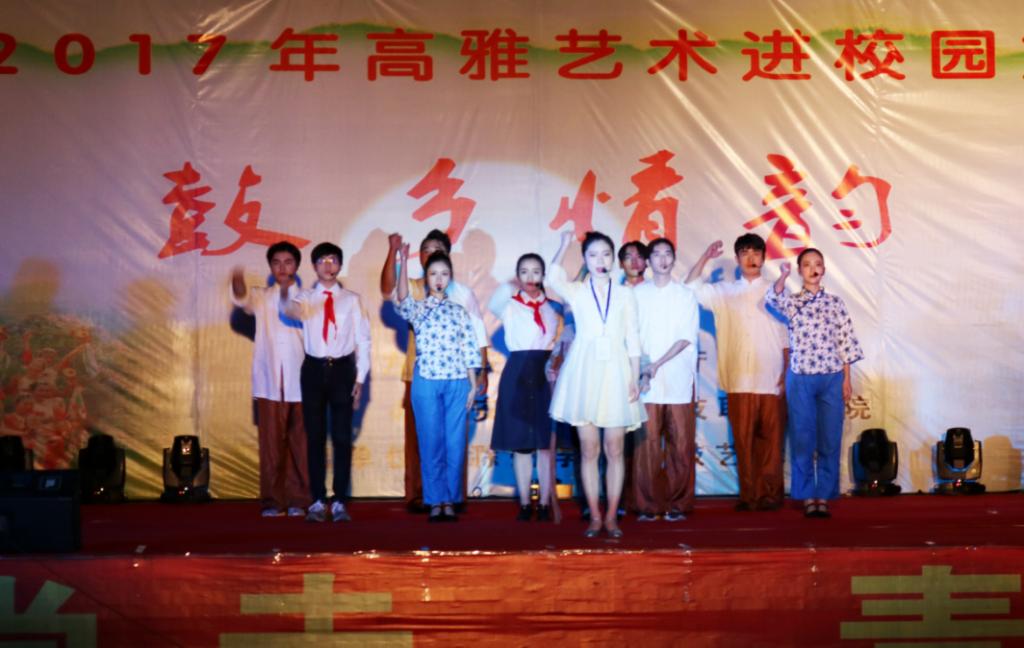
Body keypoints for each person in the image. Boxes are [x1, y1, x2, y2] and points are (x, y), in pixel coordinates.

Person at [380, 230, 489, 512]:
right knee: (430, 442)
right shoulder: (418, 308)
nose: (439, 279)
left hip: (457, 383)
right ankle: (434, 501)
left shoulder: (459, 310)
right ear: (426, 278)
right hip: (426, 381)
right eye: (433, 274)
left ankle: (450, 501)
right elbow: (401, 298)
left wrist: (473, 384)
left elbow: (470, 347)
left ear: (449, 277)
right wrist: (402, 261)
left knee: (454, 443)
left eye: (444, 274)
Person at [547, 231, 645, 538]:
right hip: (584, 370)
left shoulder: (625, 294)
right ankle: (595, 515)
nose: (600, 261)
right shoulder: (576, 291)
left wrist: (634, 376)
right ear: (585, 260)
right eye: (593, 255)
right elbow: (552, 278)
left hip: (617, 370)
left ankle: (612, 516)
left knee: (614, 448)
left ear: (613, 258)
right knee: (589, 449)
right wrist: (564, 245)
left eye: (605, 254)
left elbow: (633, 337)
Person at [686, 234, 789, 512]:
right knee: (743, 442)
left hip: (772, 377)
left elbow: (787, 336)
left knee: (771, 443)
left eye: (756, 253)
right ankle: (749, 496)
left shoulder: (776, 291)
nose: (751, 258)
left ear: (764, 258)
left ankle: (770, 496)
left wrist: (786, 371)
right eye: (745, 253)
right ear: (737, 259)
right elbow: (691, 287)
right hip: (739, 379)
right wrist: (706, 257)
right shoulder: (725, 292)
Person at [767, 248, 863, 518]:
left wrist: (846, 378)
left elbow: (846, 343)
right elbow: (772, 298)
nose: (813, 268)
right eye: (807, 265)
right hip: (801, 377)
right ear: (800, 271)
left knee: (830, 438)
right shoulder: (793, 302)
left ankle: (825, 495)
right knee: (803, 438)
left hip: (832, 377)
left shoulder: (835, 303)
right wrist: (782, 277)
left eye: (817, 264)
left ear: (824, 270)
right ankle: (808, 495)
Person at [283, 242, 370, 523]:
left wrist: (360, 378)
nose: (328, 265)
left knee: (342, 438)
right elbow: (290, 311)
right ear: (314, 266)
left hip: (343, 369)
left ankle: (340, 500)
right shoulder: (305, 297)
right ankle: (318, 500)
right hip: (313, 369)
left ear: (340, 265)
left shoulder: (352, 299)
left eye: (333, 260)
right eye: (322, 260)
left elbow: (363, 340)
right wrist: (285, 290)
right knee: (315, 437)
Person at [230, 242, 309, 518]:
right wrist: (237, 278)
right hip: (269, 382)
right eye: (276, 262)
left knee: (301, 445)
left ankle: (300, 500)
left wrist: (287, 294)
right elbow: (241, 299)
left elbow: (296, 314)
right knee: (271, 446)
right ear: (270, 267)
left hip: (302, 382)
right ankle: (273, 502)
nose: (282, 267)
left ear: (296, 266)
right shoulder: (261, 296)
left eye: (288, 262)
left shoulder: (308, 298)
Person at [488, 253, 561, 522]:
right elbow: (495, 299)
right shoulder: (509, 304)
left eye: (536, 272)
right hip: (518, 372)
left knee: (544, 443)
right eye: (524, 272)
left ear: (544, 276)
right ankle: (524, 502)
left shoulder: (554, 307)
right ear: (517, 276)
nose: (531, 278)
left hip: (545, 372)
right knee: (521, 444)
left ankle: (544, 502)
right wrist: (514, 283)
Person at [632, 238, 700, 522]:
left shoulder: (685, 295)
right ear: (647, 262)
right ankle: (648, 506)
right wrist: (643, 369)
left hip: (678, 380)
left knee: (680, 445)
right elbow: (630, 336)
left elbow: (685, 338)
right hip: (645, 383)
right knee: (645, 447)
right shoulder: (636, 295)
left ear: (674, 258)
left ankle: (678, 504)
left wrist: (656, 364)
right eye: (656, 254)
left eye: (667, 254)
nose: (662, 259)